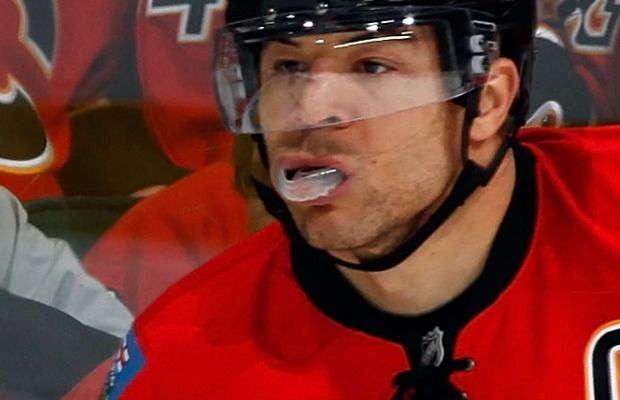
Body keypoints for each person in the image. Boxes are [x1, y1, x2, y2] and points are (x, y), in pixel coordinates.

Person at [102, 0, 620, 399]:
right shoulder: (184, 359)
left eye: (372, 65)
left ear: (486, 100)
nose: (311, 108)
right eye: (287, 67)